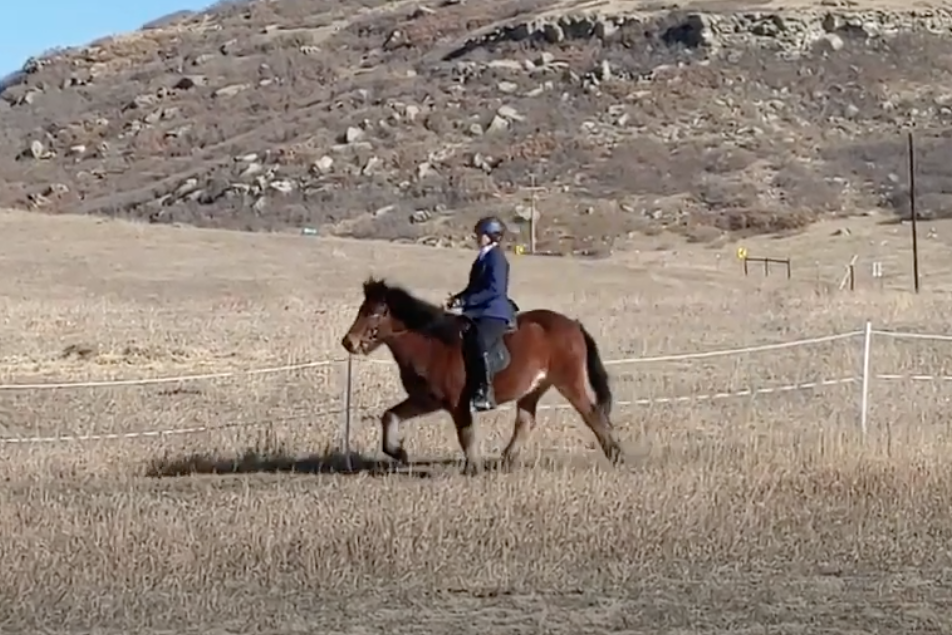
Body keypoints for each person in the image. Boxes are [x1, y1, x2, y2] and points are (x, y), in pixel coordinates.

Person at [446, 215, 516, 412]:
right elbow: (473, 287)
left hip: (494, 311)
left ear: (491, 236)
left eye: (480, 234)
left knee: (479, 342)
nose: (477, 237)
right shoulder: (483, 257)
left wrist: (467, 301)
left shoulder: (497, 258)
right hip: (478, 311)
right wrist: (458, 298)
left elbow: (494, 290)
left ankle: (484, 392)